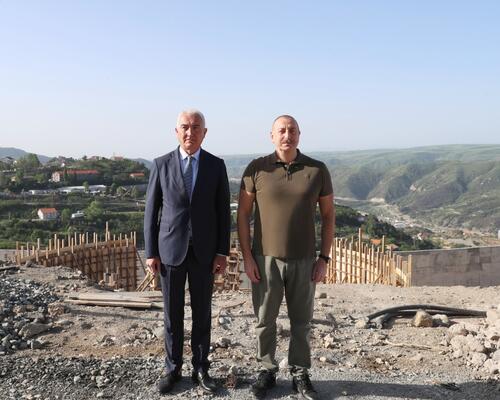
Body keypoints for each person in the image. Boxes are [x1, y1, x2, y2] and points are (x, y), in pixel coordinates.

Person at [237, 115, 335, 400]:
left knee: (301, 322)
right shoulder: (257, 168)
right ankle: (266, 370)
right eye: (281, 130)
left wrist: (324, 258)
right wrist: (247, 257)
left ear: (299, 135)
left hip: (304, 260)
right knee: (264, 319)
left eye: (292, 130)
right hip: (264, 259)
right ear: (271, 135)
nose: (287, 135)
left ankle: (300, 373)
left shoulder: (317, 170)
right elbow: (242, 214)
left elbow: (329, 215)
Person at [144, 109, 231, 395]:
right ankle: (173, 369)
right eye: (185, 127)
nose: (190, 132)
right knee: (172, 315)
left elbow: (223, 212)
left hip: (204, 252)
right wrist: (151, 252)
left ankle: (201, 368)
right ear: (176, 131)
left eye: (196, 127)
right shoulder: (161, 164)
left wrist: (222, 252)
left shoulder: (216, 166)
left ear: (204, 133)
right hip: (170, 251)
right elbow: (151, 212)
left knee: (202, 313)